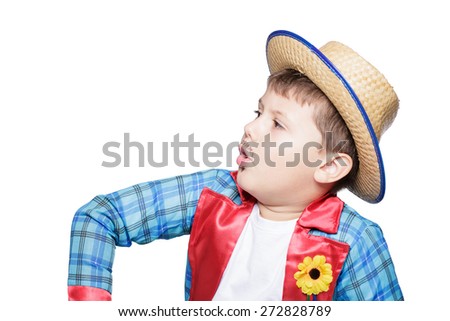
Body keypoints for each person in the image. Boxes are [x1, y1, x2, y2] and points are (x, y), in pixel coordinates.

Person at [67, 30, 403, 301]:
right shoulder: (215, 192)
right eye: (259, 113)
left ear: (329, 166)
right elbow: (99, 216)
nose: (251, 128)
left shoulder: (356, 241)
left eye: (277, 125)